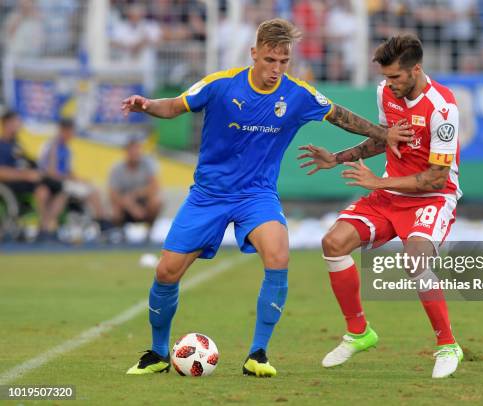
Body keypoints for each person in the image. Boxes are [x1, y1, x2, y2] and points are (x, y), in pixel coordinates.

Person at [121, 19, 411, 377]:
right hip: (209, 194)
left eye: (283, 61)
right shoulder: (220, 84)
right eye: (270, 60)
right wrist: (146, 104)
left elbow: (340, 116)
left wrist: (384, 133)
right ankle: (159, 353)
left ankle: (258, 354)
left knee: (278, 255)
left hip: (256, 195)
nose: (276, 69)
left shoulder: (297, 94)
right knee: (166, 272)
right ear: (254, 53)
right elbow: (176, 106)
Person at [298, 34, 463, 378]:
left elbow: (435, 178)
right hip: (389, 194)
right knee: (333, 243)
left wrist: (378, 182)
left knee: (414, 260)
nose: (389, 84)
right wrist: (338, 158)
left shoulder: (443, 108)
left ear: (416, 70)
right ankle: (359, 332)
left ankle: (448, 345)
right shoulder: (385, 93)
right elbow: (385, 139)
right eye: (386, 77)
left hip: (432, 197)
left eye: (395, 77)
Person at [39, 118, 113, 233]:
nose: (71, 135)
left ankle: (101, 220)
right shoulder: (51, 146)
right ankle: (102, 222)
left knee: (92, 187)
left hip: (63, 182)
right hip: (54, 182)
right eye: (70, 131)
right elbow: (50, 172)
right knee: (93, 192)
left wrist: (80, 179)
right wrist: (69, 178)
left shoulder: (67, 149)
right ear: (63, 130)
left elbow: (68, 171)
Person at [0, 110, 60, 239]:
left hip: (28, 179)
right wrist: (25, 175)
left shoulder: (17, 144)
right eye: (16, 121)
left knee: (60, 187)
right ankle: (44, 229)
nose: (19, 125)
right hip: (11, 183)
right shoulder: (2, 145)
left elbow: (31, 164)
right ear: (6, 123)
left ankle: (47, 225)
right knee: (42, 190)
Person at [108, 139, 162, 229]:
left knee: (156, 201)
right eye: (132, 150)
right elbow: (113, 194)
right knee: (114, 210)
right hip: (124, 203)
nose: (136, 153)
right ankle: (118, 233)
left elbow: (155, 186)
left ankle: (149, 232)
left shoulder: (147, 165)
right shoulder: (117, 168)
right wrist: (130, 206)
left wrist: (135, 195)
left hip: (142, 201)